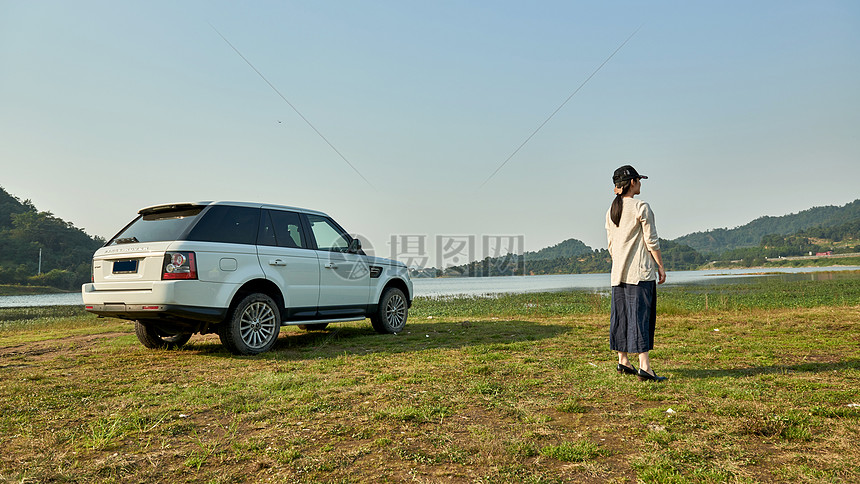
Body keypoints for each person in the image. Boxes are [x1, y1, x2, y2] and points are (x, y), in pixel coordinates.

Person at [606, 165, 667, 382]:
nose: (640, 184)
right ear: (632, 182)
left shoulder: (611, 210)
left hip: (618, 274)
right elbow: (651, 241)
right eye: (639, 180)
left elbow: (611, 246)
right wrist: (660, 266)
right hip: (640, 274)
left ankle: (623, 360)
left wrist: (621, 262)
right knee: (641, 317)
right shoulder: (641, 206)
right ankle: (645, 367)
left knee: (621, 318)